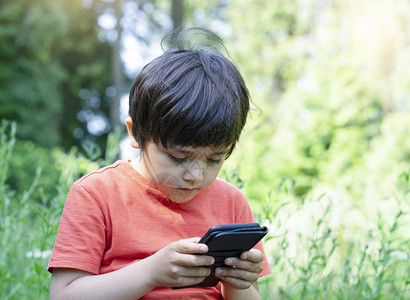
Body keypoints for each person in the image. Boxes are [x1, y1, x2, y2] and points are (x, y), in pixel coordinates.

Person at [48, 27, 271, 299]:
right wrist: (150, 273)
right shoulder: (96, 194)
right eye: (178, 157)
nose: (195, 175)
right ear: (135, 134)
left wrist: (239, 281)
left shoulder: (232, 203)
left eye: (214, 159)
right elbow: (63, 295)